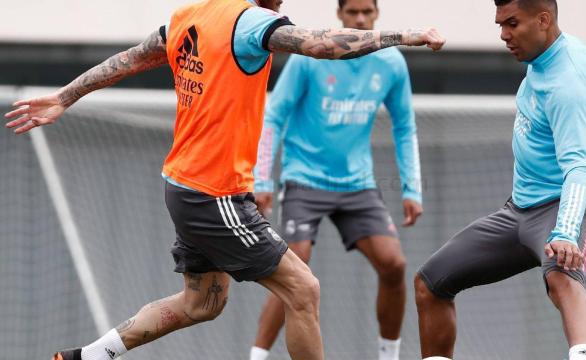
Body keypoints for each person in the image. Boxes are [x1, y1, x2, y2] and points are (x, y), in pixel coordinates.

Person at [3, 0, 446, 359]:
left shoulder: (187, 17)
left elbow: (128, 60)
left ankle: (90, 355)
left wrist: (66, 95)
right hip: (214, 195)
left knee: (202, 304)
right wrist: (405, 37)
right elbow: (322, 44)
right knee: (303, 289)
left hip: (183, 185)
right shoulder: (253, 22)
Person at [412, 1, 586, 360]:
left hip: (570, 209)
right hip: (518, 212)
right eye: (500, 24)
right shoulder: (558, 57)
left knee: (561, 277)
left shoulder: (568, 82)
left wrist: (565, 233)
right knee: (430, 284)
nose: (504, 35)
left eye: (512, 24)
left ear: (544, 19)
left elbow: (578, 169)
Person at [249, 0, 422, 359]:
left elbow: (405, 127)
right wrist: (262, 180)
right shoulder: (309, 57)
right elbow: (273, 116)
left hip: (357, 185)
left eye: (367, 12)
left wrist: (412, 188)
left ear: (377, 15)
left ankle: (388, 355)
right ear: (340, 15)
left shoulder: (390, 63)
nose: (360, 19)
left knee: (395, 264)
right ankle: (257, 355)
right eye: (353, 12)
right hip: (304, 179)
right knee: (294, 267)